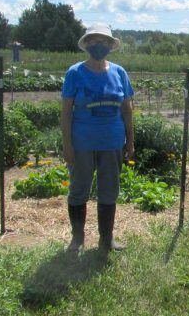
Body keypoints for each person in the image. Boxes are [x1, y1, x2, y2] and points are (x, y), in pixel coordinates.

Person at [61, 23, 134, 252]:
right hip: (82, 143)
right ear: (86, 45)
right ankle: (77, 239)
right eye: (93, 41)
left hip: (112, 142)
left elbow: (127, 109)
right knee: (78, 190)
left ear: (110, 45)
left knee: (109, 190)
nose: (98, 45)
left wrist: (130, 140)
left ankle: (106, 240)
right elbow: (66, 112)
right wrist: (67, 146)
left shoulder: (119, 72)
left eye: (102, 41)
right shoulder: (75, 73)